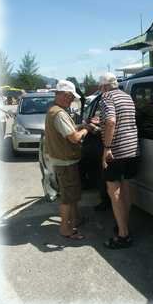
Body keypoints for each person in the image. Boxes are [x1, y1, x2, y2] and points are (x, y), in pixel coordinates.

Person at [44, 80, 90, 240]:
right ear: (64, 95)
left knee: (72, 193)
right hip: (65, 161)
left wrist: (80, 126)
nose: (71, 100)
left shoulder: (53, 110)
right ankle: (65, 229)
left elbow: (66, 131)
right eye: (70, 97)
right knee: (68, 197)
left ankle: (75, 219)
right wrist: (86, 129)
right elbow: (73, 138)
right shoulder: (60, 114)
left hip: (61, 159)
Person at [99, 73, 140, 249]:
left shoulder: (106, 97)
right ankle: (123, 223)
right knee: (126, 188)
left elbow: (110, 121)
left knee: (113, 190)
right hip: (133, 148)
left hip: (116, 151)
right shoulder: (127, 96)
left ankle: (123, 235)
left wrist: (107, 147)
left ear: (104, 86)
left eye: (100, 87)